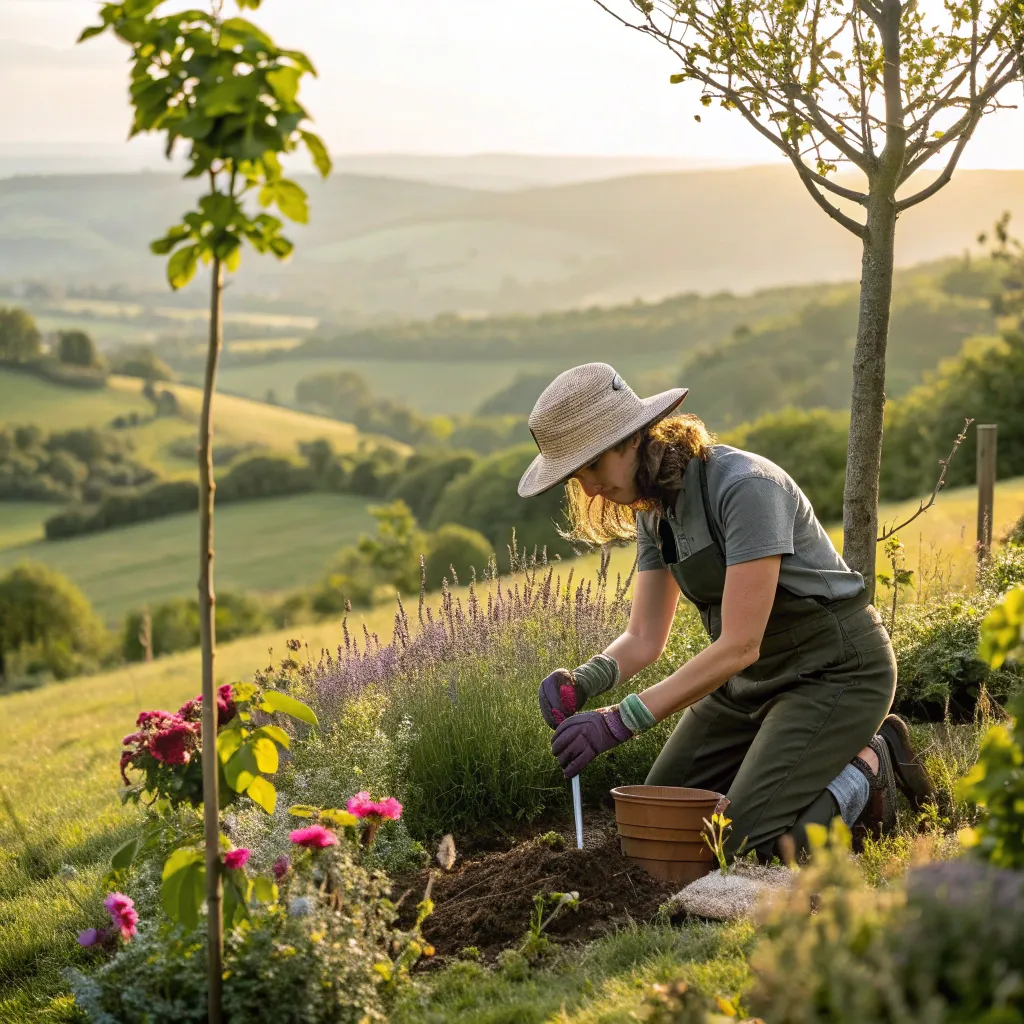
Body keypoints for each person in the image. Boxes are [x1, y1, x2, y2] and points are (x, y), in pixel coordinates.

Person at [518, 362, 934, 859]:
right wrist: (583, 681)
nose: (586, 490)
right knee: (658, 820)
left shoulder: (744, 488)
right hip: (746, 687)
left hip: (834, 673)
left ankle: (870, 762)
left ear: (627, 440)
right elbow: (645, 638)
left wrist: (617, 722)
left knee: (732, 845)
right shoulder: (655, 514)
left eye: (589, 468)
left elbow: (740, 643)